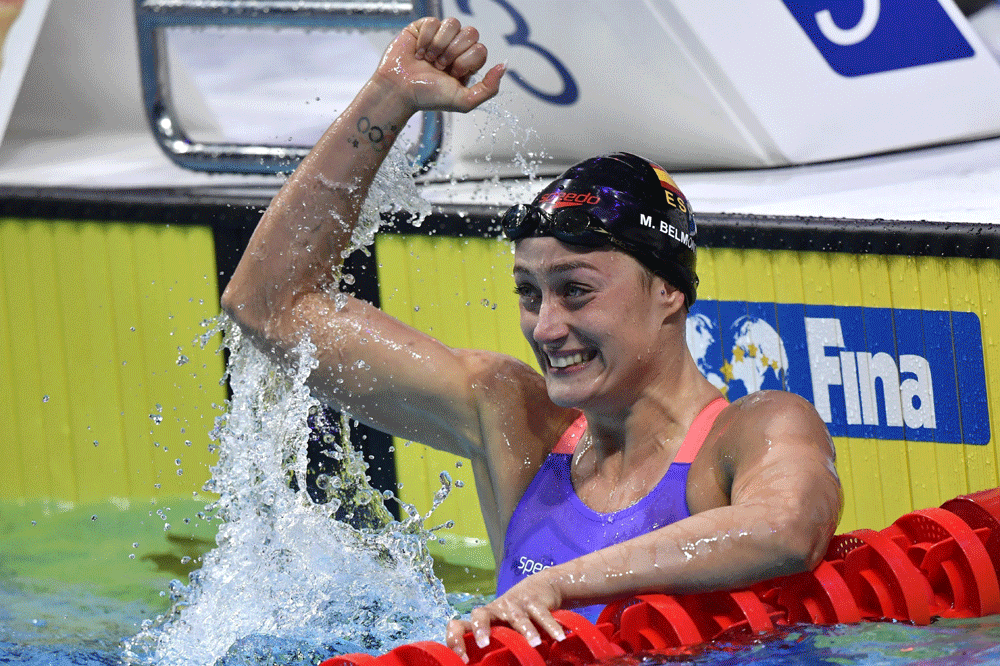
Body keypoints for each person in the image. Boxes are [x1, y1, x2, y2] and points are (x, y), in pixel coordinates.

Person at [221, 16, 843, 661]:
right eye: (529, 292)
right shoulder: (518, 421)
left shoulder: (752, 431)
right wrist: (390, 96)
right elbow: (268, 305)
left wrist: (559, 584)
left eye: (576, 290)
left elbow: (785, 526)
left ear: (668, 292)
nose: (545, 328)